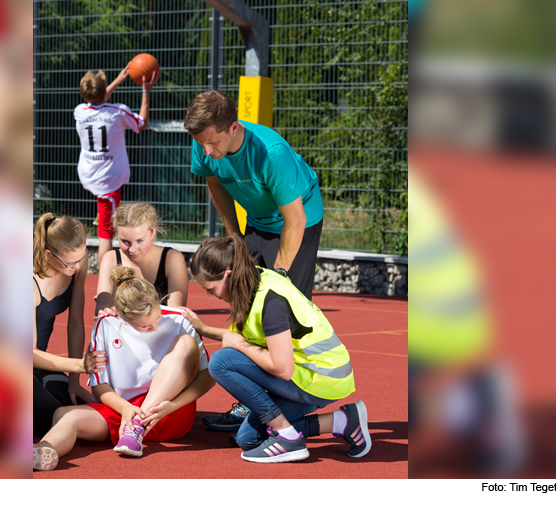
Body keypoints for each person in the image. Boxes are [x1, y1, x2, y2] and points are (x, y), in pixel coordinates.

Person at [184, 89, 325, 430]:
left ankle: (296, 398)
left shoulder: (270, 153)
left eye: (212, 142)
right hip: (257, 222)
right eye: (201, 144)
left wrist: (280, 274)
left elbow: (295, 220)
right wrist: (235, 237)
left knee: (281, 308)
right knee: (244, 304)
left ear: (233, 128)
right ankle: (251, 403)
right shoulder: (205, 142)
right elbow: (215, 184)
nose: (207, 151)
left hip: (298, 220)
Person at [179, 236, 371, 463]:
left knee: (221, 362)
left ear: (228, 275)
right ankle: (343, 421)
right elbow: (240, 337)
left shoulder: (270, 302)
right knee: (249, 439)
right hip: (312, 374)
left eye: (210, 289)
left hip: (320, 378)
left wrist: (239, 345)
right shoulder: (253, 278)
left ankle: (287, 436)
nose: (211, 295)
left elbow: (282, 368)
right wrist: (203, 328)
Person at [34, 266, 213, 470]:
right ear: (123, 318)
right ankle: (42, 450)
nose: (153, 328)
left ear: (158, 301)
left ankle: (138, 425)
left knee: (186, 343)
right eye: (144, 327)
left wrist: (172, 405)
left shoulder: (180, 318)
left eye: (157, 319)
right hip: (123, 411)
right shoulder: (106, 323)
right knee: (64, 415)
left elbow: (207, 375)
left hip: (165, 411)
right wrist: (126, 409)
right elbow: (99, 387)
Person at [74, 66, 160, 267]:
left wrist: (116, 82)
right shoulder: (118, 112)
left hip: (88, 174)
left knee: (107, 213)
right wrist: (146, 90)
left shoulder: (79, 112)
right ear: (103, 89)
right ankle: (104, 280)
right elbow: (142, 123)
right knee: (106, 233)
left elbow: (96, 101)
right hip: (108, 180)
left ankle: (102, 210)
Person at [33, 213, 105, 438]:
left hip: (39, 364)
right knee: (57, 420)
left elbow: (75, 324)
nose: (76, 266)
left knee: (80, 410)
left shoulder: (77, 267)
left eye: (82, 256)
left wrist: (75, 381)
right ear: (48, 254)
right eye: (69, 262)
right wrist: (78, 365)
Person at [94, 202, 188, 317]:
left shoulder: (172, 259)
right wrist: (104, 311)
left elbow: (175, 316)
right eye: (125, 242)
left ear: (152, 232)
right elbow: (102, 308)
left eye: (140, 241)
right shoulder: (111, 259)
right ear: (117, 235)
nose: (132, 249)